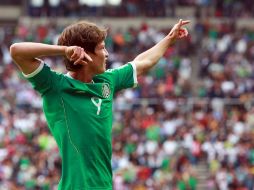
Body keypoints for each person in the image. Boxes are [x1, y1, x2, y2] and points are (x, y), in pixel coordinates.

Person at [9, 19, 189, 190]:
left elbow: (143, 62)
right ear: (86, 53)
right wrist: (64, 50)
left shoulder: (107, 81)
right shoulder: (56, 86)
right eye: (102, 48)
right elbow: (17, 51)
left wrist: (169, 39)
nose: (107, 54)